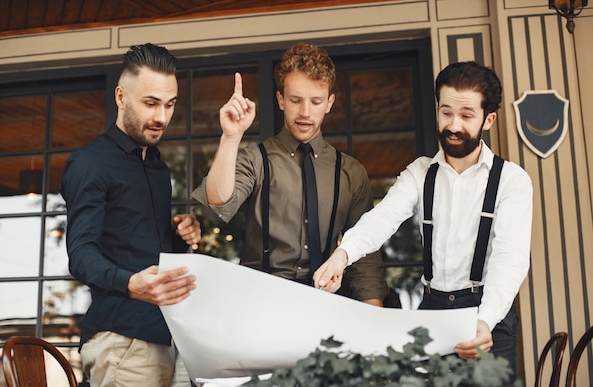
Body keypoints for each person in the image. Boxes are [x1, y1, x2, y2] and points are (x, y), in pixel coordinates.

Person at [314, 61, 532, 379]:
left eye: (467, 115)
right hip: (433, 315)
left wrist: (484, 320)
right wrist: (342, 255)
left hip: (489, 319)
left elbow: (509, 260)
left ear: (489, 119)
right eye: (446, 112)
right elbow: (382, 218)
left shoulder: (512, 181)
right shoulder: (420, 174)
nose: (453, 125)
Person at [192, 42, 386, 306]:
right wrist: (231, 136)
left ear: (329, 103)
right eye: (295, 100)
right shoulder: (256, 159)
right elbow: (217, 205)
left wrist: (372, 324)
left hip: (326, 305)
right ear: (281, 99)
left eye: (316, 101)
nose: (305, 112)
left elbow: (366, 259)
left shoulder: (351, 172)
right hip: (259, 305)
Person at [61, 43, 201, 387]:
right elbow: (80, 254)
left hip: (166, 337)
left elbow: (148, 253)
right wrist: (129, 283)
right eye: (151, 103)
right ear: (121, 97)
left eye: (169, 105)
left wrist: (181, 236)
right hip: (121, 341)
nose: (162, 117)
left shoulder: (156, 167)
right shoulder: (90, 163)